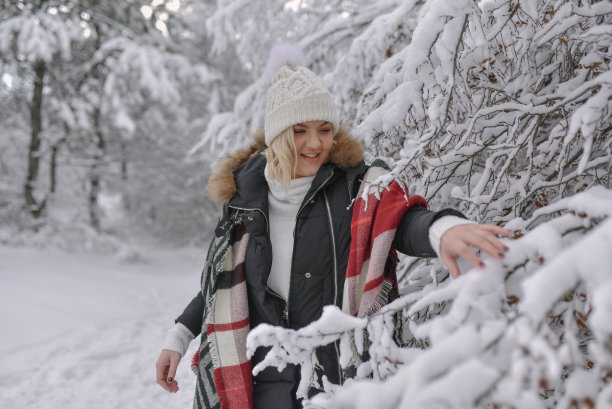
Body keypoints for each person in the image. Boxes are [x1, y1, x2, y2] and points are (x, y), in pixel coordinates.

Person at [155, 62, 511, 409]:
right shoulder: (244, 197)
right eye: (300, 130)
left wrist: (441, 229)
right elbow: (224, 283)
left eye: (325, 129)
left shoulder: (354, 188)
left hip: (337, 382)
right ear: (278, 134)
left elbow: (400, 222)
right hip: (261, 382)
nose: (315, 143)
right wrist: (180, 335)